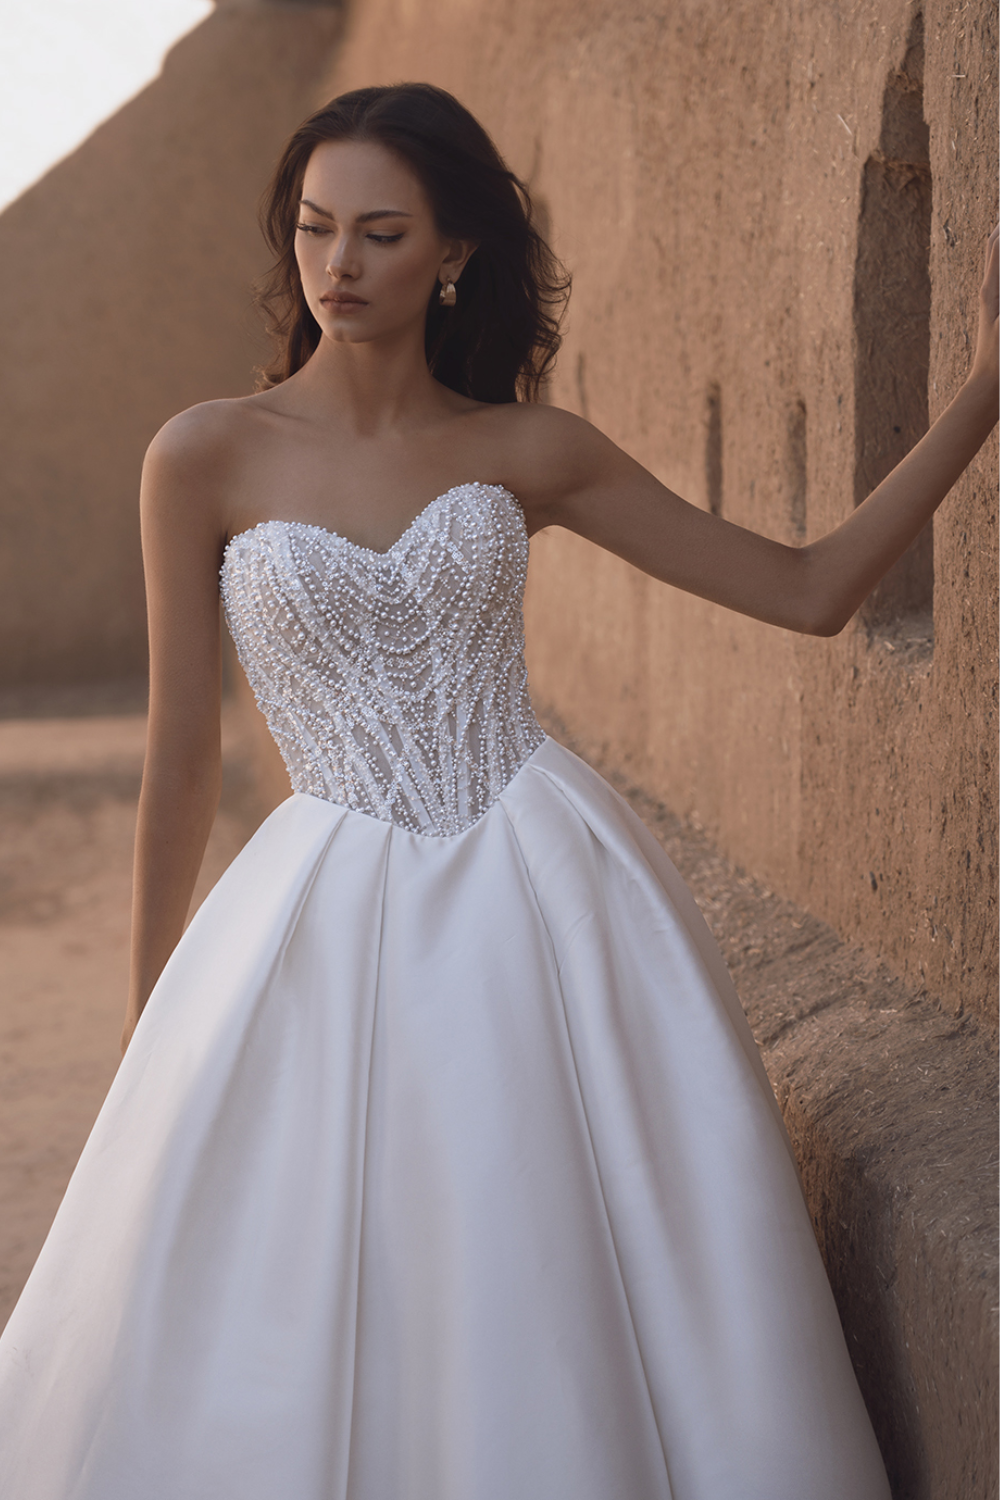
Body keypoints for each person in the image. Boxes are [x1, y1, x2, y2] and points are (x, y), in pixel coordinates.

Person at [0, 81, 995, 1500]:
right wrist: (149, 1022)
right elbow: (180, 758)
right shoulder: (204, 454)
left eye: (381, 233)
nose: (337, 265)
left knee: (540, 1255)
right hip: (319, 907)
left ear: (453, 252)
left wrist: (985, 384)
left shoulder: (529, 452)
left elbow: (811, 589)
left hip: (541, 886)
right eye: (313, 228)